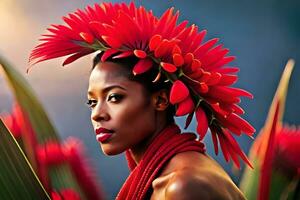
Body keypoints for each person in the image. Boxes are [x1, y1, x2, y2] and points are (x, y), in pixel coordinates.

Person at [29, 2, 255, 199]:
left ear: (160, 100)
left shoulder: (184, 187)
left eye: (114, 97)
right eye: (92, 102)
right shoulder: (170, 178)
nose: (97, 113)